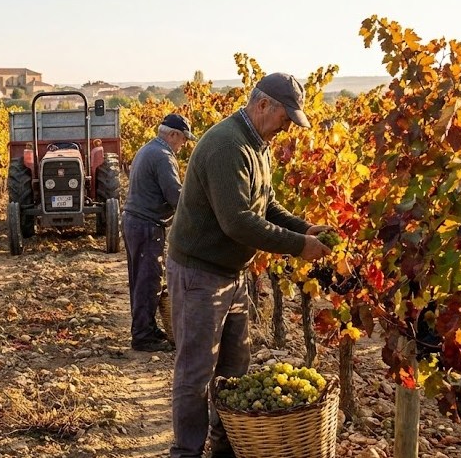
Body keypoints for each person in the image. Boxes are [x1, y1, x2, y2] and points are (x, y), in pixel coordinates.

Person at [166, 73, 332, 458]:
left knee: (233, 371)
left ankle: (225, 448)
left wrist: (304, 228)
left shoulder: (259, 145)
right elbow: (238, 221)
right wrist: (298, 246)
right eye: (285, 118)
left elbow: (266, 206)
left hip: (230, 273)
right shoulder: (228, 146)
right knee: (195, 374)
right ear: (262, 106)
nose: (287, 127)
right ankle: (186, 452)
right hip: (199, 272)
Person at [123, 113, 195, 352]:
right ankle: (143, 336)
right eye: (183, 140)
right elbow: (175, 196)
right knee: (148, 280)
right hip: (146, 225)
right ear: (173, 134)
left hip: (134, 222)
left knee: (139, 279)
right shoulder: (163, 156)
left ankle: (146, 327)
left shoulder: (148, 150)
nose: (182, 146)